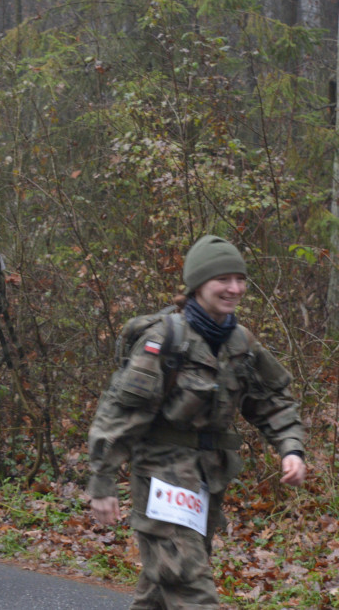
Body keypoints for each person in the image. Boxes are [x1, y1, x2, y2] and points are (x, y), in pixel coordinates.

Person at [88, 235, 307, 608]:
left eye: (240, 279)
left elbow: (272, 401)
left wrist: (290, 447)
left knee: (161, 589)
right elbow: (120, 415)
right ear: (198, 284)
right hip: (161, 475)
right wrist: (102, 481)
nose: (234, 288)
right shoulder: (165, 340)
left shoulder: (241, 342)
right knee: (188, 582)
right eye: (222, 279)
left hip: (208, 479)